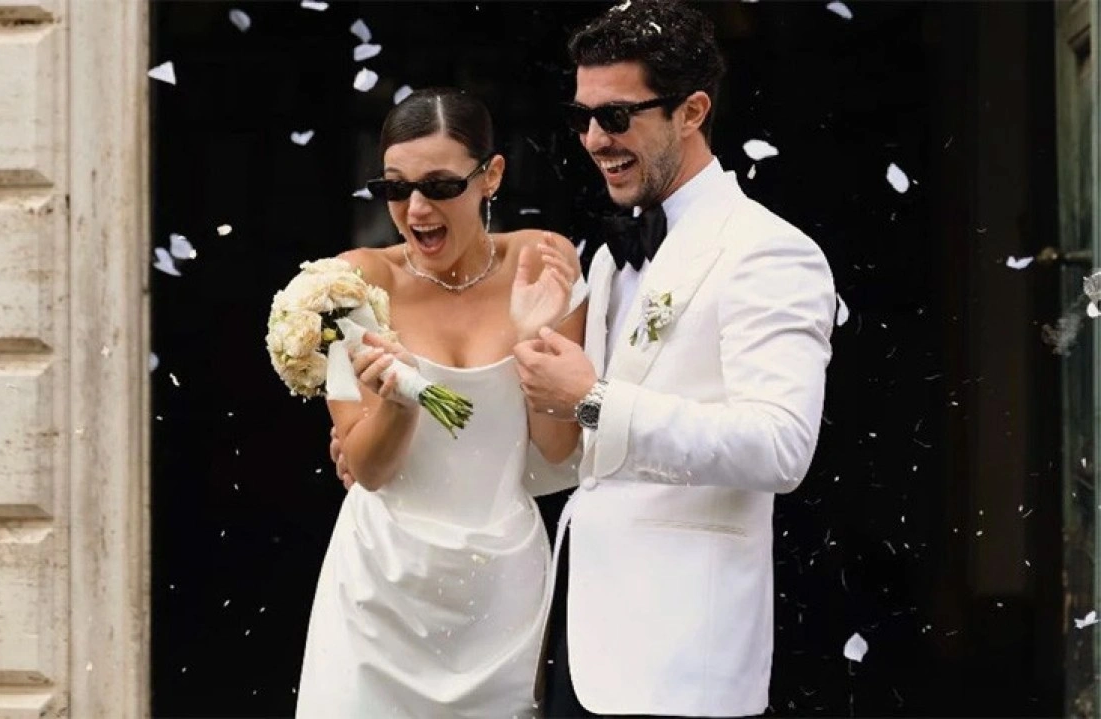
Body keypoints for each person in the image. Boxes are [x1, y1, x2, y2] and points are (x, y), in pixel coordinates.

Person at [511, 1, 838, 717]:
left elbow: (781, 446)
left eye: (616, 116)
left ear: (691, 112)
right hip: (580, 642)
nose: (594, 140)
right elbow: (579, 455)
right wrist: (533, 344)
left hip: (683, 658)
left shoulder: (768, 250)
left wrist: (594, 397)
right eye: (582, 118)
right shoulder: (607, 257)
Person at [295, 86, 587, 718]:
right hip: (379, 592)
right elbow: (368, 469)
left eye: (440, 186)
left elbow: (557, 447)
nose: (417, 209)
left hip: (502, 595)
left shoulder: (543, 259)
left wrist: (533, 337)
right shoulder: (352, 281)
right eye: (396, 188)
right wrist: (399, 403)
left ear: (492, 176)